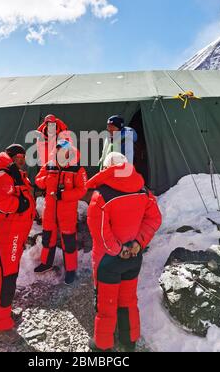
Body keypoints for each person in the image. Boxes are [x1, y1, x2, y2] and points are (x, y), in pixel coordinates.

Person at [87, 152, 162, 352]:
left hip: (108, 260)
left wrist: (118, 250)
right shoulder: (143, 191)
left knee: (106, 303)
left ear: (107, 168)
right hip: (134, 257)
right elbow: (154, 219)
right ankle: (129, 341)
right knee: (128, 299)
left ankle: (103, 345)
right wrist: (139, 242)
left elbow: (100, 233)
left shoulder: (101, 196)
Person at [0, 144, 36, 344]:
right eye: (20, 157)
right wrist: (21, 204)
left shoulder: (16, 174)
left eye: (24, 157)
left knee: (7, 276)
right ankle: (1, 326)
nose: (23, 160)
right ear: (12, 157)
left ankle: (3, 314)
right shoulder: (4, 175)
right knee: (6, 277)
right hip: (6, 235)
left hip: (13, 234)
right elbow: (1, 202)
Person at [34, 140, 88, 285]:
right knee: (47, 238)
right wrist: (48, 181)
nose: (59, 152)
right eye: (57, 149)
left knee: (69, 242)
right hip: (50, 210)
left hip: (67, 213)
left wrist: (64, 195)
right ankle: (46, 263)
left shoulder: (77, 168)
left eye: (62, 150)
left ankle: (71, 270)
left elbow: (82, 190)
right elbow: (38, 180)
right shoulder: (50, 165)